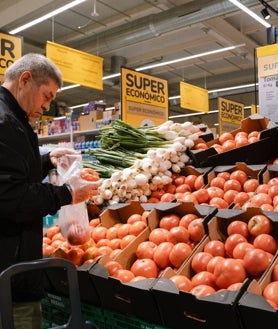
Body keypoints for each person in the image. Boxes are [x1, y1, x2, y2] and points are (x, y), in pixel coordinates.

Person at [0, 53, 101, 329]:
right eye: (46, 96)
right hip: (9, 276)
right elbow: (12, 199)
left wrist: (47, 159)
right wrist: (67, 193)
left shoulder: (12, 118)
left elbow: (13, 172)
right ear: (25, 80)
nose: (46, 106)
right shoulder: (6, 123)